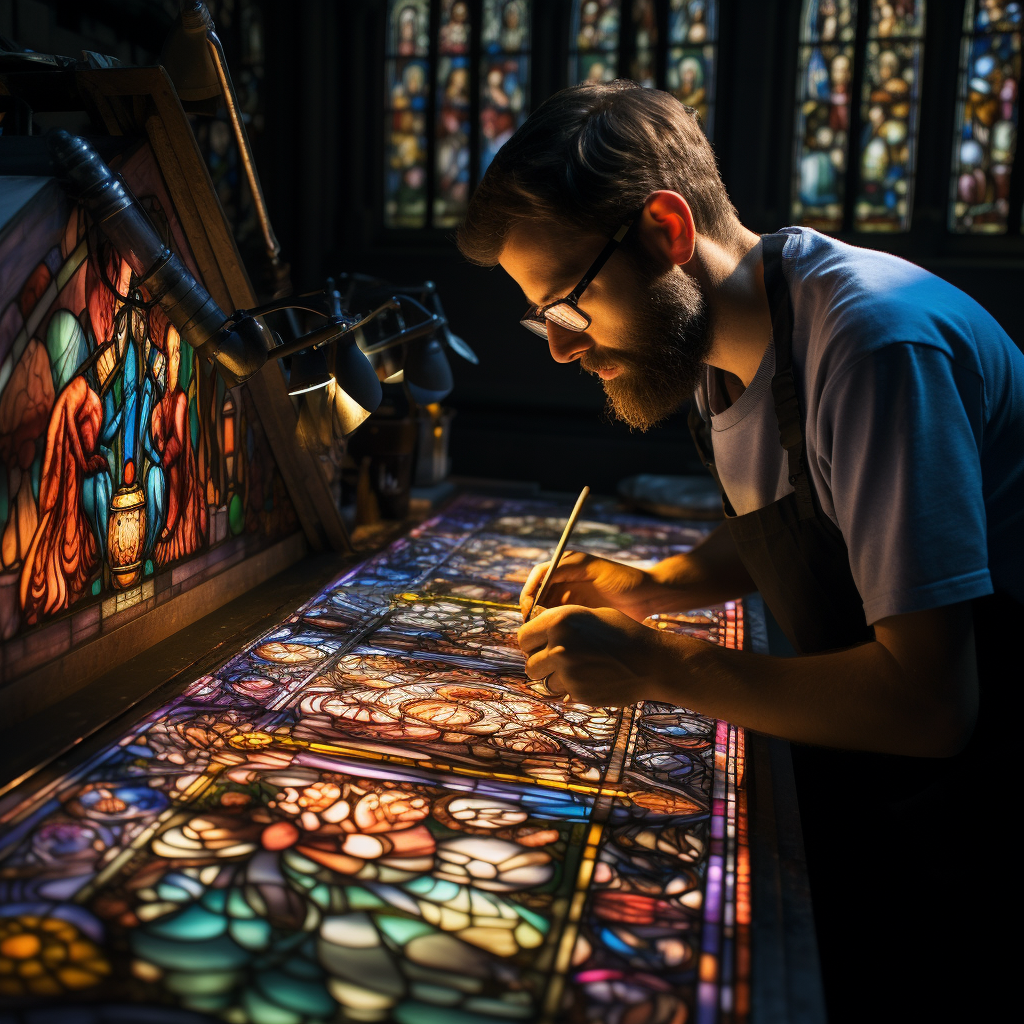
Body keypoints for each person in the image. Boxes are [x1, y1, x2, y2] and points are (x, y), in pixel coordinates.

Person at [457, 80, 1022, 1020]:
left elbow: (933, 708)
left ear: (666, 233)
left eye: (567, 305)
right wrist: (655, 586)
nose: (560, 350)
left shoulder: (871, 350)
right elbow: (814, 518)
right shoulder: (726, 346)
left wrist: (656, 662)